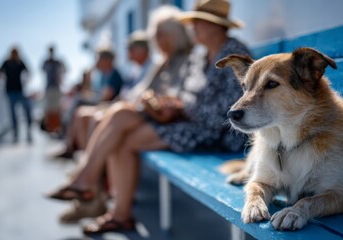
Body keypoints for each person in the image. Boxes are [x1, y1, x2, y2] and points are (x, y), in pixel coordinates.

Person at [48, 0, 249, 234]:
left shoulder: (235, 55)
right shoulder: (201, 55)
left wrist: (180, 108)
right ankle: (114, 209)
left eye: (198, 22)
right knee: (123, 133)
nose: (192, 27)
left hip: (219, 133)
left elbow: (228, 113)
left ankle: (90, 186)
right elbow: (188, 95)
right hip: (190, 123)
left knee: (123, 119)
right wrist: (173, 104)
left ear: (215, 26)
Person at [56, 6, 193, 223]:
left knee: (116, 117)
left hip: (169, 120)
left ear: (173, 35)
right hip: (153, 116)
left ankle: (88, 186)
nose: (154, 40)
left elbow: (182, 99)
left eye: (159, 34)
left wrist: (156, 101)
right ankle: (95, 192)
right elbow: (142, 92)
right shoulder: (163, 63)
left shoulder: (187, 60)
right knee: (106, 119)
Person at [54, 30, 153, 159]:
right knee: (82, 113)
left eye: (131, 49)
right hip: (122, 107)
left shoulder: (148, 68)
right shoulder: (133, 70)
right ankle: (87, 161)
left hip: (131, 110)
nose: (128, 52)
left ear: (141, 50)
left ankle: (91, 165)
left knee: (93, 116)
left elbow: (107, 97)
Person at [60, 48, 124, 135]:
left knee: (79, 100)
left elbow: (106, 97)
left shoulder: (114, 75)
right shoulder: (103, 75)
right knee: (79, 103)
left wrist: (90, 96)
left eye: (98, 59)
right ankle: (68, 137)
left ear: (107, 60)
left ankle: (64, 128)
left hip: (108, 104)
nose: (96, 62)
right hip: (102, 102)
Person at [0, 46, 33, 143]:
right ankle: (16, 134)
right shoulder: (7, 62)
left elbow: (29, 72)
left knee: (25, 112)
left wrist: (26, 81)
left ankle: (27, 132)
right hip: (11, 91)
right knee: (14, 115)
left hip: (19, 91)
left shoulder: (19, 62)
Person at [41, 45, 66, 133]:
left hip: (56, 87)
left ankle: (57, 127)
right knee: (49, 108)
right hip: (49, 87)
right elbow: (42, 70)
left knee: (57, 108)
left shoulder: (58, 62)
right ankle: (50, 128)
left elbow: (64, 70)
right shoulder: (46, 62)